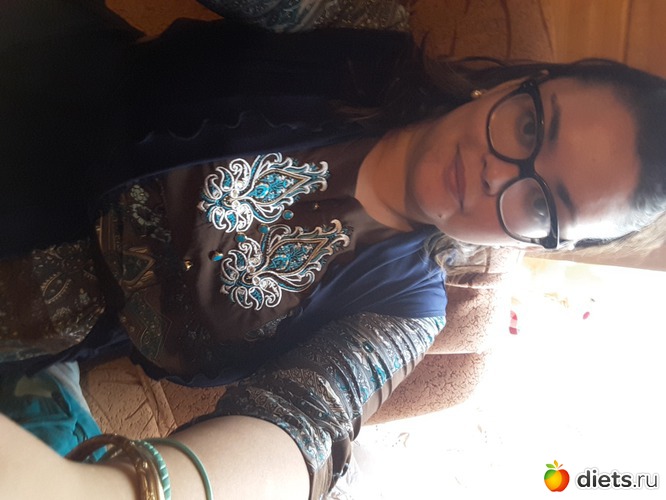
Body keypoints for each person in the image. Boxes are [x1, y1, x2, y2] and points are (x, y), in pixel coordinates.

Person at [1, 1, 665, 499]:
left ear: (545, 242)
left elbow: (304, 429)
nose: (499, 175)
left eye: (543, 206)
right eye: (529, 126)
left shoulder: (402, 313)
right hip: (30, 72)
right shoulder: (363, 29)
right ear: (521, 83)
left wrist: (115, 491)